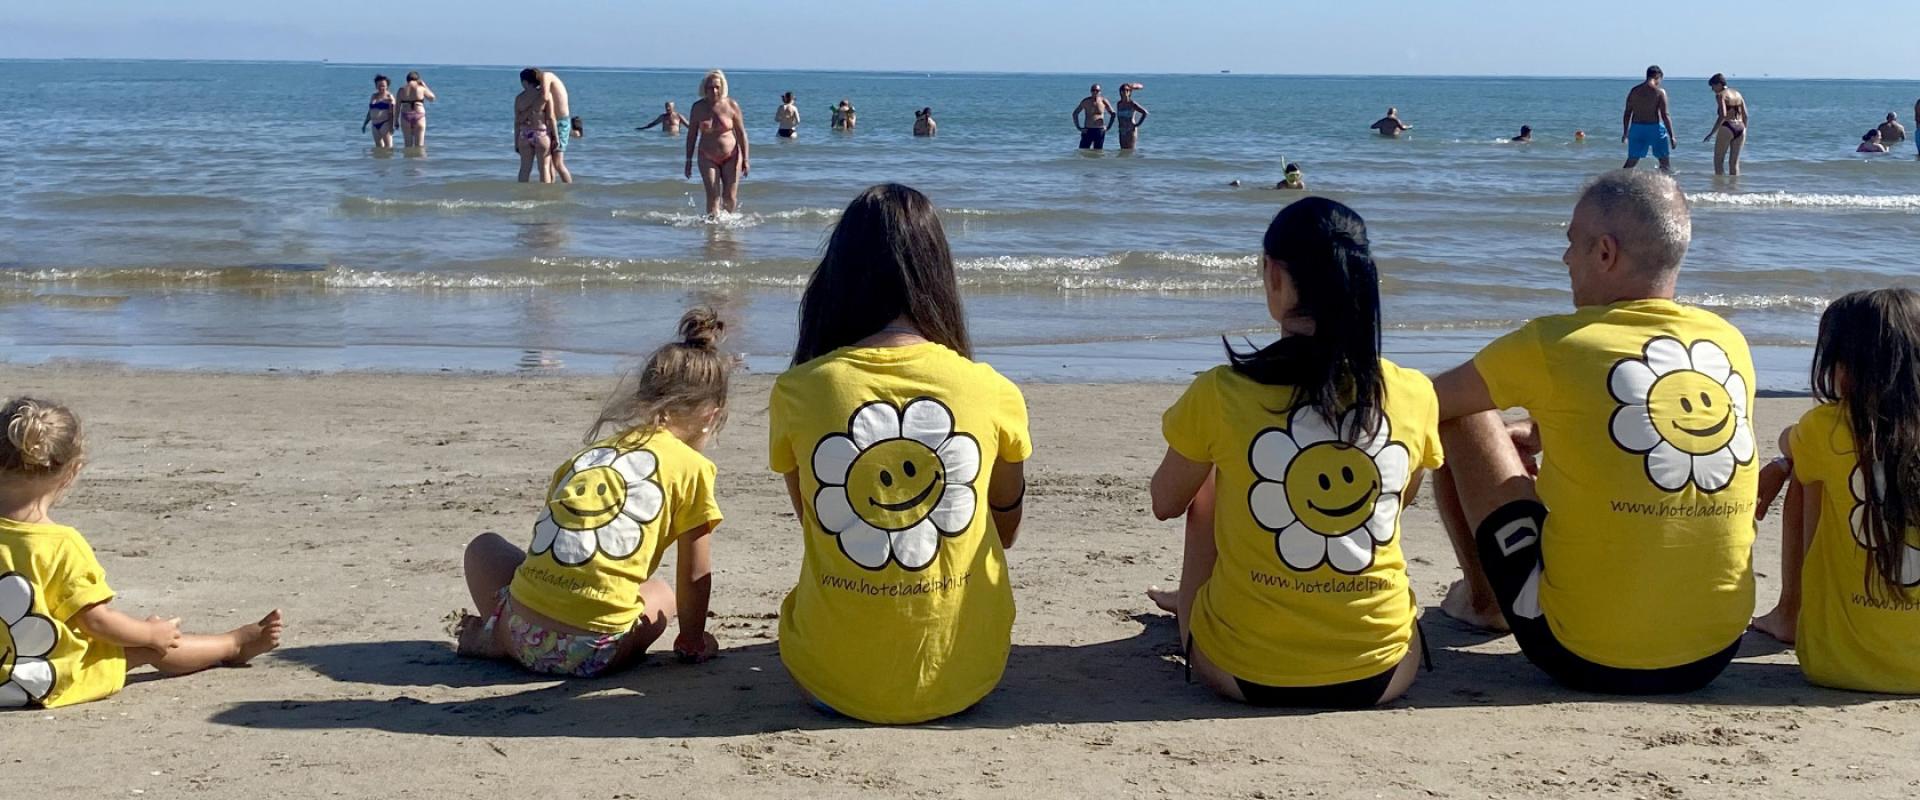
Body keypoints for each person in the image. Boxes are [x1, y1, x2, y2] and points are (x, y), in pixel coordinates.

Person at [1431, 170, 1756, 694]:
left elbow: (1426, 402)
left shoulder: (1554, 344)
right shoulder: (1727, 342)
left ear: (1604, 253)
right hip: (1713, 651)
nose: (1565, 260)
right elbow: (1648, 416)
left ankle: (1485, 602)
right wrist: (1542, 433)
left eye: (1571, 245)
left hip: (1580, 652)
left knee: (1465, 413)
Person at [1144, 198, 1442, 709]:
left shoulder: (1222, 392)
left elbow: (1165, 501)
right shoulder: (1411, 391)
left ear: (1275, 276)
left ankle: (1193, 610)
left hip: (1244, 671)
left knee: (1208, 488)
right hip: (1381, 670)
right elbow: (1402, 499)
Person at [770, 184, 1032, 724]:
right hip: (966, 676)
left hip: (829, 683)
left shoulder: (800, 390)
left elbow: (816, 524)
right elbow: (1005, 528)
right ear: (939, 274)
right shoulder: (990, 389)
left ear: (838, 275)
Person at [457, 308, 731, 677]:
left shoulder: (591, 455)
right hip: (595, 653)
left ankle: (497, 637)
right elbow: (696, 573)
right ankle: (551, 637)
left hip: (520, 632)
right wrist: (693, 640)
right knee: (662, 593)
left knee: (483, 547)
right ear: (712, 414)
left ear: (644, 394)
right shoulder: (693, 468)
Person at [0, 398, 283, 708]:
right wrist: (149, 634)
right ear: (72, 471)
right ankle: (231, 645)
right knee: (150, 646)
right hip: (41, 680)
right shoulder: (61, 545)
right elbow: (97, 623)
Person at [1750, 290, 1920, 694]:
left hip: (1837, 664)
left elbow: (1791, 439)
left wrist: (1782, 464)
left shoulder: (1827, 427)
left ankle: (1789, 613)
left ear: (1845, 365)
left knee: (1809, 479)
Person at [685, 70, 749, 217]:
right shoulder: (698, 108)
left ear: (722, 88)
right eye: (710, 87)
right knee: (713, 196)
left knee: (729, 197)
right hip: (707, 156)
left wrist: (746, 158)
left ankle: (728, 228)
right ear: (704, 88)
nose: (714, 90)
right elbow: (691, 135)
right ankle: (713, 233)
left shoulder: (732, 106)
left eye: (717, 87)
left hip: (731, 155)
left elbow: (741, 134)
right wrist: (688, 160)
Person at [1622, 65, 1677, 171]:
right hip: (1654, 128)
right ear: (1658, 76)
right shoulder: (1659, 92)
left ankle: (1617, 182)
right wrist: (1672, 136)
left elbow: (1627, 113)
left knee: (1631, 161)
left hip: (1637, 128)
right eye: (1660, 79)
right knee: (1664, 162)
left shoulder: (1634, 91)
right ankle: (1665, 185)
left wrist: (1625, 132)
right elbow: (1665, 115)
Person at [514, 68, 556, 183]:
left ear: (525, 82)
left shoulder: (519, 98)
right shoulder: (545, 96)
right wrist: (555, 137)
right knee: (544, 168)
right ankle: (545, 196)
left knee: (524, 169)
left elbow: (517, 122)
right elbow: (551, 118)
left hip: (524, 135)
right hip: (541, 134)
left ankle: (521, 197)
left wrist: (515, 141)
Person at [1703, 74, 1748, 176]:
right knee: (1734, 163)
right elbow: (1746, 115)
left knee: (1718, 161)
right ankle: (1733, 189)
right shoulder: (1738, 94)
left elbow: (1723, 115)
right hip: (1740, 127)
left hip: (1728, 126)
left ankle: (1720, 189)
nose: (1712, 89)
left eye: (1713, 86)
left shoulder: (1721, 95)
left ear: (1719, 84)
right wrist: (1744, 130)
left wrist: (1712, 133)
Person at [396, 71, 437, 149]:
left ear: (407, 80)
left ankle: (408, 160)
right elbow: (432, 98)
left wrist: (395, 121)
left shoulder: (401, 90)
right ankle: (418, 160)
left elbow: (397, 107)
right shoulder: (421, 88)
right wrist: (425, 86)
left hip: (405, 115)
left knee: (407, 145)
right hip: (419, 115)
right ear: (418, 80)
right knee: (419, 146)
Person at [1073, 84, 1116, 149]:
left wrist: (1108, 127)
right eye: (1093, 90)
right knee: (1083, 151)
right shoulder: (1086, 101)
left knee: (1098, 152)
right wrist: (1079, 128)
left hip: (1099, 130)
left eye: (1097, 90)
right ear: (1091, 91)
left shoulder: (1103, 101)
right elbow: (1075, 113)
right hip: (1088, 130)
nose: (1095, 92)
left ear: (1100, 92)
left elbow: (1113, 114)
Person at [362, 74, 396, 148]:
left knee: (388, 147)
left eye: (383, 85)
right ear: (376, 86)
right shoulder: (373, 96)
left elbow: (392, 113)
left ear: (387, 86)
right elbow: (370, 112)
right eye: (379, 85)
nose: (381, 87)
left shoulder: (389, 97)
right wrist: (365, 124)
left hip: (385, 124)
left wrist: (391, 126)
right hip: (374, 125)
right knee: (378, 148)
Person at [1116, 83, 1149, 149]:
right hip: (1122, 130)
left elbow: (1145, 113)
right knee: (1123, 151)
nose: (1125, 92)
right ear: (1121, 92)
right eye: (1124, 90)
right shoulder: (1119, 104)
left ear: (1129, 92)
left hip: (1130, 130)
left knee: (1130, 150)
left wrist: (1137, 124)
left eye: (1127, 90)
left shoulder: (1132, 103)